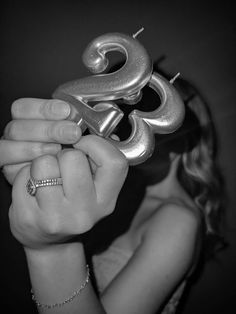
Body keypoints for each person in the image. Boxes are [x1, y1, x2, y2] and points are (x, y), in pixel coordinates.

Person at [0, 74, 224, 314]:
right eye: (124, 116)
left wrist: (52, 249)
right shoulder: (119, 196)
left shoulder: (178, 219)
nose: (125, 128)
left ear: (183, 135)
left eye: (149, 113)